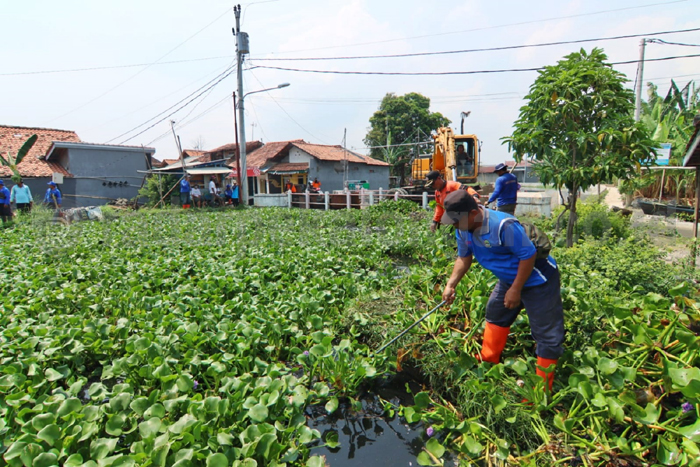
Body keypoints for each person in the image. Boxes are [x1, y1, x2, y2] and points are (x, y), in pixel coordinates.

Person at [440, 190, 564, 393]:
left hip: (537, 280)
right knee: (496, 313)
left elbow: (528, 256)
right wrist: (450, 284)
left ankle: (541, 391)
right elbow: (464, 258)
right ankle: (489, 360)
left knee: (547, 334)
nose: (454, 225)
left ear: (473, 213)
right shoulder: (462, 228)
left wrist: (516, 290)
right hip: (508, 278)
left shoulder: (502, 226)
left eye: (456, 221)